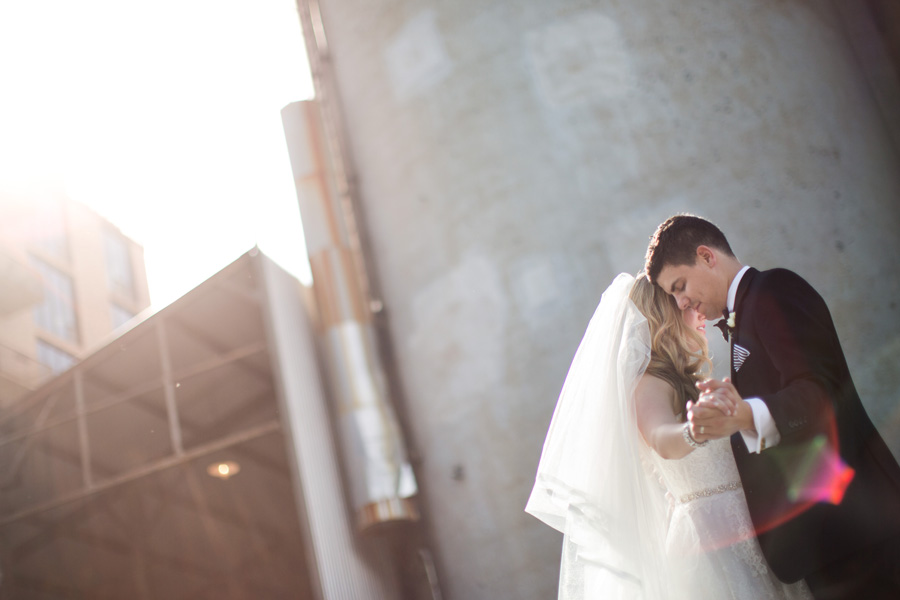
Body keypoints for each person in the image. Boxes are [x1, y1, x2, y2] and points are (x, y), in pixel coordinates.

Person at [644, 214, 900, 599]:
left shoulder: (774, 290)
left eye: (680, 286)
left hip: (859, 530)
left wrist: (745, 414)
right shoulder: (744, 317)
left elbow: (820, 391)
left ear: (707, 256)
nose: (682, 303)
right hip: (828, 542)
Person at [525, 272, 810, 599]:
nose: (699, 311)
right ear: (665, 314)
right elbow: (662, 438)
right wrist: (694, 429)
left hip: (751, 531)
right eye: (685, 304)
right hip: (711, 548)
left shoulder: (687, 378)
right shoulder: (648, 382)